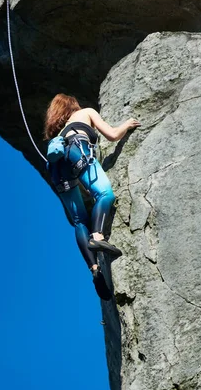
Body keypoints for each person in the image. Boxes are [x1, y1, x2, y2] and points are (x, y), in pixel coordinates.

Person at [44, 93, 140, 300]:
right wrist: (128, 124)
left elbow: (69, 164)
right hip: (78, 150)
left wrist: (84, 186)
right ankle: (97, 237)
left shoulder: (59, 134)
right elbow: (113, 135)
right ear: (73, 105)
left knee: (79, 220)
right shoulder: (85, 112)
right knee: (105, 194)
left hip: (57, 168)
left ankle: (94, 268)